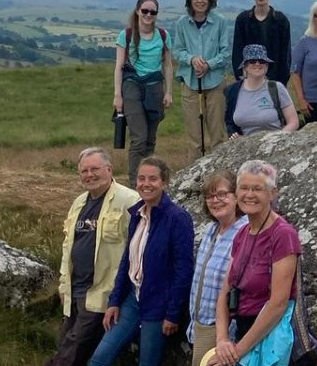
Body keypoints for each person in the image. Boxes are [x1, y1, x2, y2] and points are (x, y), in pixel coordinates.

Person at [89, 157, 196, 366]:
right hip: (132, 299)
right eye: (141, 178)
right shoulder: (137, 214)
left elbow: (183, 271)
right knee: (100, 358)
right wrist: (114, 301)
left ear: (164, 183)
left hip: (159, 304)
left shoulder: (177, 218)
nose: (146, 184)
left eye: (153, 179)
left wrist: (173, 314)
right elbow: (127, 262)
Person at [48, 148, 141, 366]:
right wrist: (63, 285)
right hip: (74, 291)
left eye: (95, 169)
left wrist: (119, 295)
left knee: (71, 350)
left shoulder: (129, 200)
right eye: (84, 171)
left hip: (101, 293)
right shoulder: (79, 202)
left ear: (109, 170)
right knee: (66, 345)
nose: (89, 175)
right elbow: (67, 246)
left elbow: (138, 248)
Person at [210, 160, 303, 366]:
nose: (249, 194)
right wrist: (222, 339)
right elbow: (225, 293)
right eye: (243, 188)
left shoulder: (283, 235)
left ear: (272, 193)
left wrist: (236, 352)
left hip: (268, 338)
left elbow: (278, 304)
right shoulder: (242, 234)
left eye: (257, 189)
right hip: (240, 331)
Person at [187, 170, 250, 366]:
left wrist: (226, 336)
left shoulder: (245, 231)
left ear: (237, 196)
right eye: (210, 196)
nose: (216, 201)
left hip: (223, 329)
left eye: (222, 194)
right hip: (199, 324)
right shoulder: (211, 230)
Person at [113, 0, 175, 183]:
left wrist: (168, 91)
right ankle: (134, 185)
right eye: (145, 11)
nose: (148, 14)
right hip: (132, 86)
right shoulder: (127, 35)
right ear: (138, 11)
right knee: (139, 139)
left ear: (156, 14)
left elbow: (168, 65)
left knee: (150, 139)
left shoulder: (163, 35)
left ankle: (148, 180)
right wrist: (117, 95)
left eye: (152, 12)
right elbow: (119, 65)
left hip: (155, 87)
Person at [173, 0, 233, 162]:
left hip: (215, 82)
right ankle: (194, 176)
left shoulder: (220, 21)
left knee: (218, 134)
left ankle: (219, 174)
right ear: (190, 1)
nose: (200, 1)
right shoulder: (182, 23)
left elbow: (225, 52)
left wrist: (209, 65)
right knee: (194, 137)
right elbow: (177, 51)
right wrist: (191, 59)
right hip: (190, 82)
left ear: (210, 1)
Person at [224, 45, 300, 137]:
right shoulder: (233, 91)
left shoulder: (277, 88)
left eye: (262, 61)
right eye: (252, 61)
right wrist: (234, 135)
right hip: (245, 147)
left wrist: (278, 137)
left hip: (275, 144)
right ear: (245, 67)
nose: (257, 64)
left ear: (267, 66)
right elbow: (228, 122)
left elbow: (294, 122)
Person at [232, 0, 291, 84]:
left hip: (275, 80)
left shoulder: (281, 20)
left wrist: (282, 82)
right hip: (249, 80)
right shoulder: (243, 20)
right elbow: (237, 51)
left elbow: (285, 55)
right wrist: (240, 78)